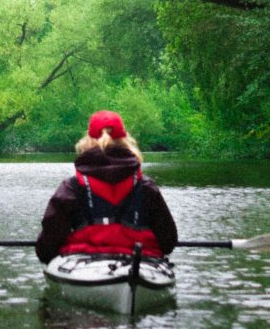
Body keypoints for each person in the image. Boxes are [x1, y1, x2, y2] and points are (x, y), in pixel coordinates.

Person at [36, 110, 177, 263]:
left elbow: (46, 250)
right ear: (126, 141)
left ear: (87, 142)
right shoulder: (146, 186)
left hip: (82, 264)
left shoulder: (72, 187)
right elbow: (168, 242)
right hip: (141, 262)